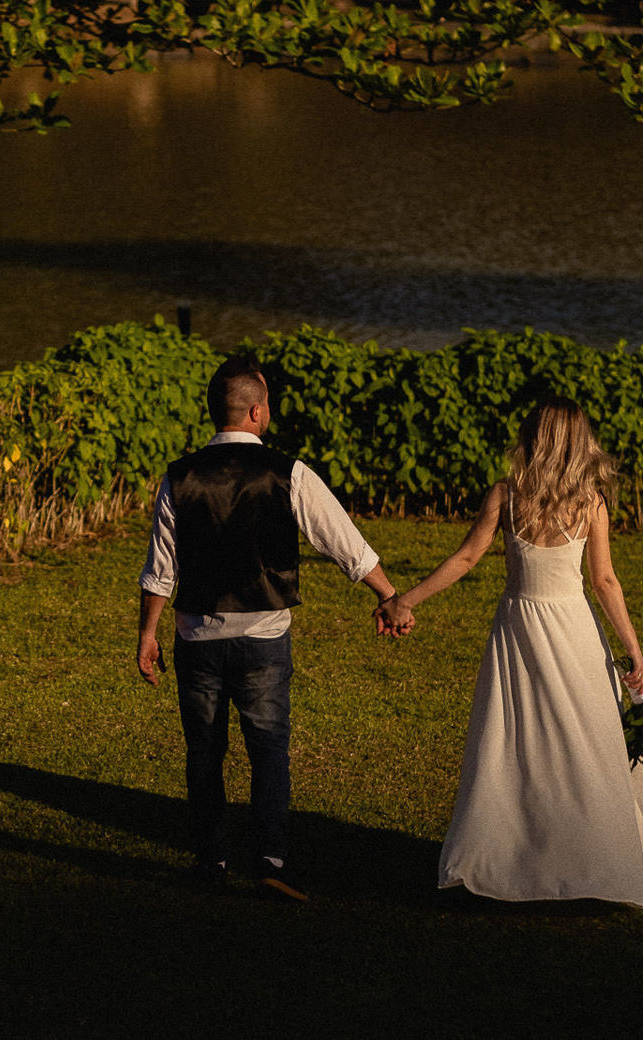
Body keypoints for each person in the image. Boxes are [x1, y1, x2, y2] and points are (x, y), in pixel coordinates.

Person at [380, 397, 643, 906]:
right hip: (572, 630)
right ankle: (587, 857)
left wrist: (405, 598)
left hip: (520, 627)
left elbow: (467, 557)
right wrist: (634, 651)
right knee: (585, 743)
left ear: (533, 437)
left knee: (520, 743)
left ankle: (523, 854)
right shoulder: (591, 503)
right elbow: (604, 580)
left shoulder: (507, 494)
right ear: (580, 444)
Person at [137, 355, 406, 902]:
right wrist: (389, 595)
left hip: (196, 639)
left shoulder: (178, 476)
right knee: (268, 750)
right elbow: (343, 541)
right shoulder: (290, 473)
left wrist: (147, 635)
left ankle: (210, 859)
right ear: (256, 411)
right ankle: (271, 859)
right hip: (263, 636)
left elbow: (161, 569)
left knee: (203, 751)